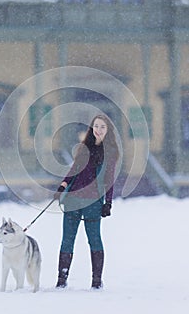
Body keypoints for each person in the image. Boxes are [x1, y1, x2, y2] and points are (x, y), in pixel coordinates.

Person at [54, 114, 119, 289]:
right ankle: (62, 279)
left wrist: (108, 203)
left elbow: (109, 180)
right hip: (73, 199)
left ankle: (96, 281)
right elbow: (74, 170)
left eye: (102, 127)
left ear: (108, 130)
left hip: (93, 202)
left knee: (95, 240)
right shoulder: (84, 148)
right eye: (96, 126)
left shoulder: (110, 153)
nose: (98, 130)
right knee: (67, 239)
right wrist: (63, 186)